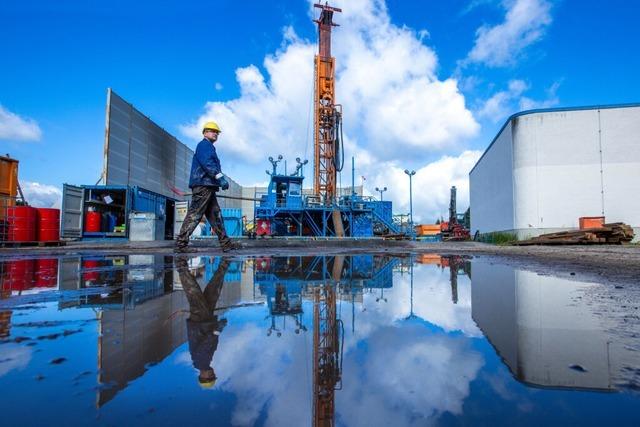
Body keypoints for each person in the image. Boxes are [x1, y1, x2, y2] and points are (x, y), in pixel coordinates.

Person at [176, 121, 240, 252]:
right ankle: (180, 245)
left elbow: (210, 164)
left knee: (215, 216)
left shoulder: (208, 146)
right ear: (205, 132)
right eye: (212, 131)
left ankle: (225, 244)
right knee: (195, 214)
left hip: (207, 186)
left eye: (217, 132)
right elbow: (208, 163)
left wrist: (218, 180)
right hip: (203, 185)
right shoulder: (204, 145)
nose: (215, 133)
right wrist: (220, 177)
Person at [176, 256, 229, 389]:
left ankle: (180, 264)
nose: (213, 373)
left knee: (193, 292)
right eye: (213, 376)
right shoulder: (203, 362)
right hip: (205, 321)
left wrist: (218, 329)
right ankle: (225, 262)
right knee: (213, 290)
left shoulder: (201, 362)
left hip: (200, 321)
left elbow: (206, 343)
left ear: (204, 376)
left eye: (211, 377)